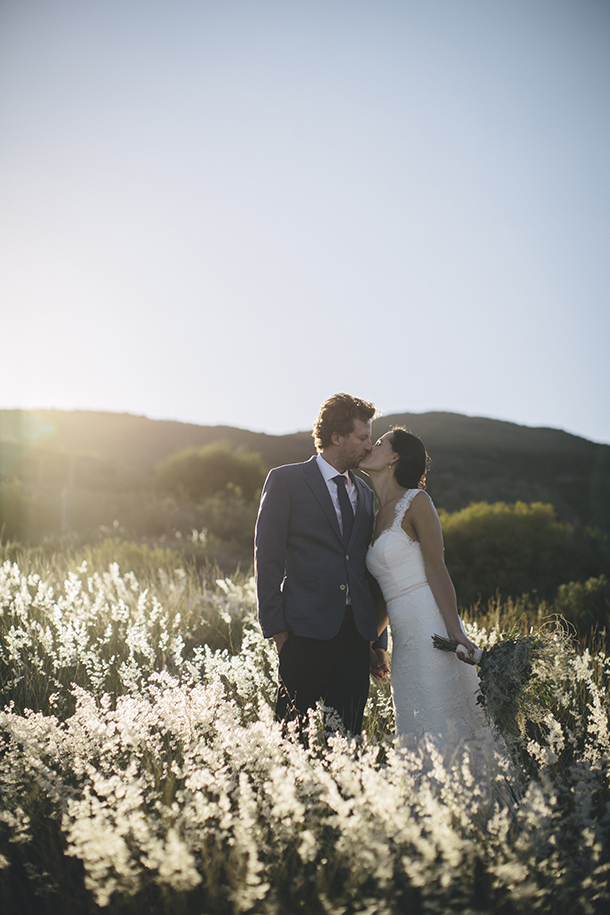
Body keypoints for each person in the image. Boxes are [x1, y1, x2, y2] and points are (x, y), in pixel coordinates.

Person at [255, 393, 389, 736]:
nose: (369, 446)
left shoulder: (366, 493)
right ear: (336, 437)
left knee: (347, 740)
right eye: (362, 438)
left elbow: (369, 568)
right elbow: (267, 556)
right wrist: (277, 628)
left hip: (356, 636)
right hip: (303, 633)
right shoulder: (285, 481)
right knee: (291, 738)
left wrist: (377, 639)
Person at [359, 426, 488, 749]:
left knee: (443, 725)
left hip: (431, 627)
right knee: (414, 725)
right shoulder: (373, 517)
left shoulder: (416, 502)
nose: (369, 447)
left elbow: (436, 568)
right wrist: (372, 644)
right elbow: (388, 594)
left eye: (379, 443)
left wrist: (455, 631)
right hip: (403, 641)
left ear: (395, 457)